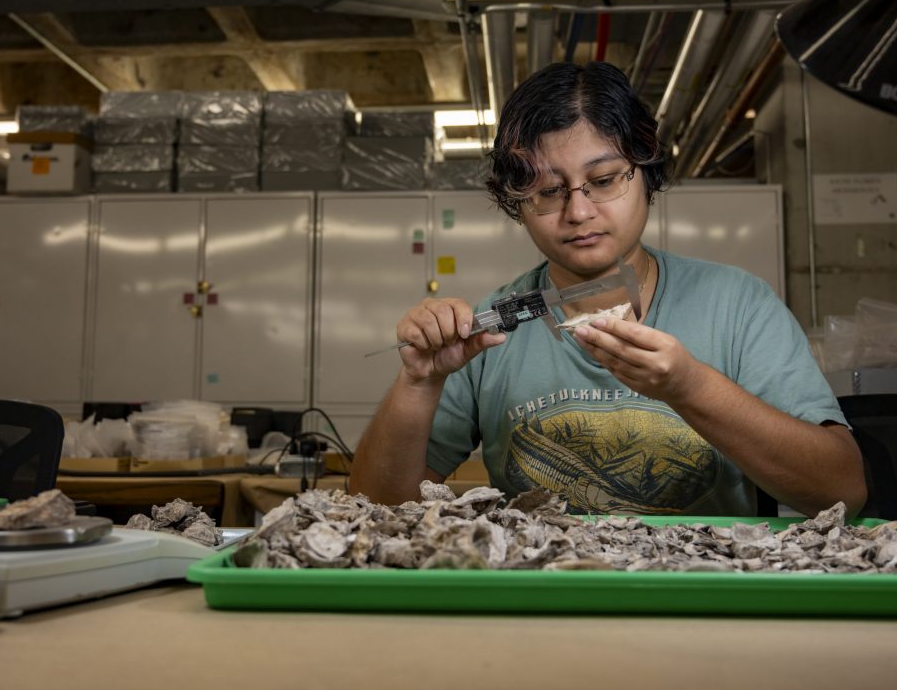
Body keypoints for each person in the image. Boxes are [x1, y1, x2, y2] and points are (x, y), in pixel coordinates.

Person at [349, 61, 866, 518]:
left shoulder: (737, 306)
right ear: (518, 205)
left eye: (603, 180)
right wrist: (418, 384)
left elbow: (841, 491)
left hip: (703, 599)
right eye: (548, 191)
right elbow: (376, 509)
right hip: (544, 599)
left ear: (646, 172)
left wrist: (690, 387)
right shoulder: (487, 332)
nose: (578, 212)